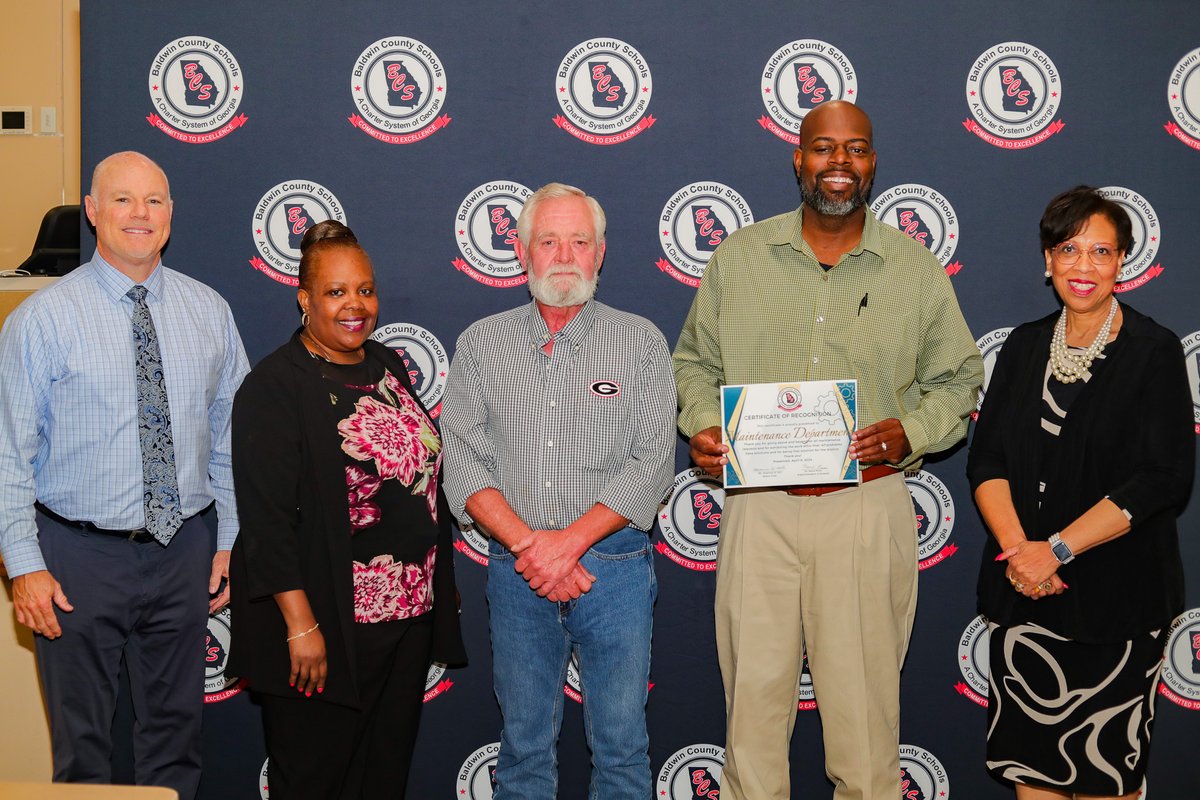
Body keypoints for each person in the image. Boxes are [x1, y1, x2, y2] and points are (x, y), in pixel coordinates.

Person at [673, 101, 983, 800]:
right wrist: (701, 422)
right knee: (751, 727)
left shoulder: (913, 269)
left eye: (857, 149)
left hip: (864, 509)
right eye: (824, 148)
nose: (839, 163)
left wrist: (915, 430)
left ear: (873, 163)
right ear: (798, 158)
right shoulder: (739, 258)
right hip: (761, 513)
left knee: (866, 733)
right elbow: (693, 363)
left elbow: (960, 377)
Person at [0, 151, 249, 799]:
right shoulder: (42, 321)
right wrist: (24, 565)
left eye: (154, 200)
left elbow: (230, 440)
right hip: (75, 559)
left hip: (184, 551)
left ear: (170, 214)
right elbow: (7, 453)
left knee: (175, 738)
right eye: (122, 199)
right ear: (92, 211)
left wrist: (226, 540)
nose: (139, 214)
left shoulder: (210, 313)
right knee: (82, 746)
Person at [441, 183, 676, 799]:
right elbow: (462, 466)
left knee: (623, 749)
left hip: (616, 571)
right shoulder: (481, 344)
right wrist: (533, 549)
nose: (564, 255)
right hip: (517, 573)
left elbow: (652, 463)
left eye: (580, 241)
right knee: (522, 750)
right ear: (522, 252)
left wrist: (564, 547)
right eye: (549, 241)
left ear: (601, 253)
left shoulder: (642, 343)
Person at [968, 186, 1193, 800]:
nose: (1084, 266)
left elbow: (1163, 478)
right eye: (1069, 249)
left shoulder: (1154, 351)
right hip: (1026, 604)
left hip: (1117, 606)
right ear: (1047, 260)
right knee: (1031, 775)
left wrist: (1057, 550)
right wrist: (1021, 553)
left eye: (1101, 251)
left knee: (1104, 779)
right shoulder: (1021, 346)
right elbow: (986, 459)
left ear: (1123, 261)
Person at [228, 220, 466, 799]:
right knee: (314, 781)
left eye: (364, 289)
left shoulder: (387, 365)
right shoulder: (273, 388)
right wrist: (301, 626)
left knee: (381, 778)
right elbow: (267, 524)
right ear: (305, 300)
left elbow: (419, 479)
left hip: (404, 621)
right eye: (336, 292)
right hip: (322, 627)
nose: (354, 305)